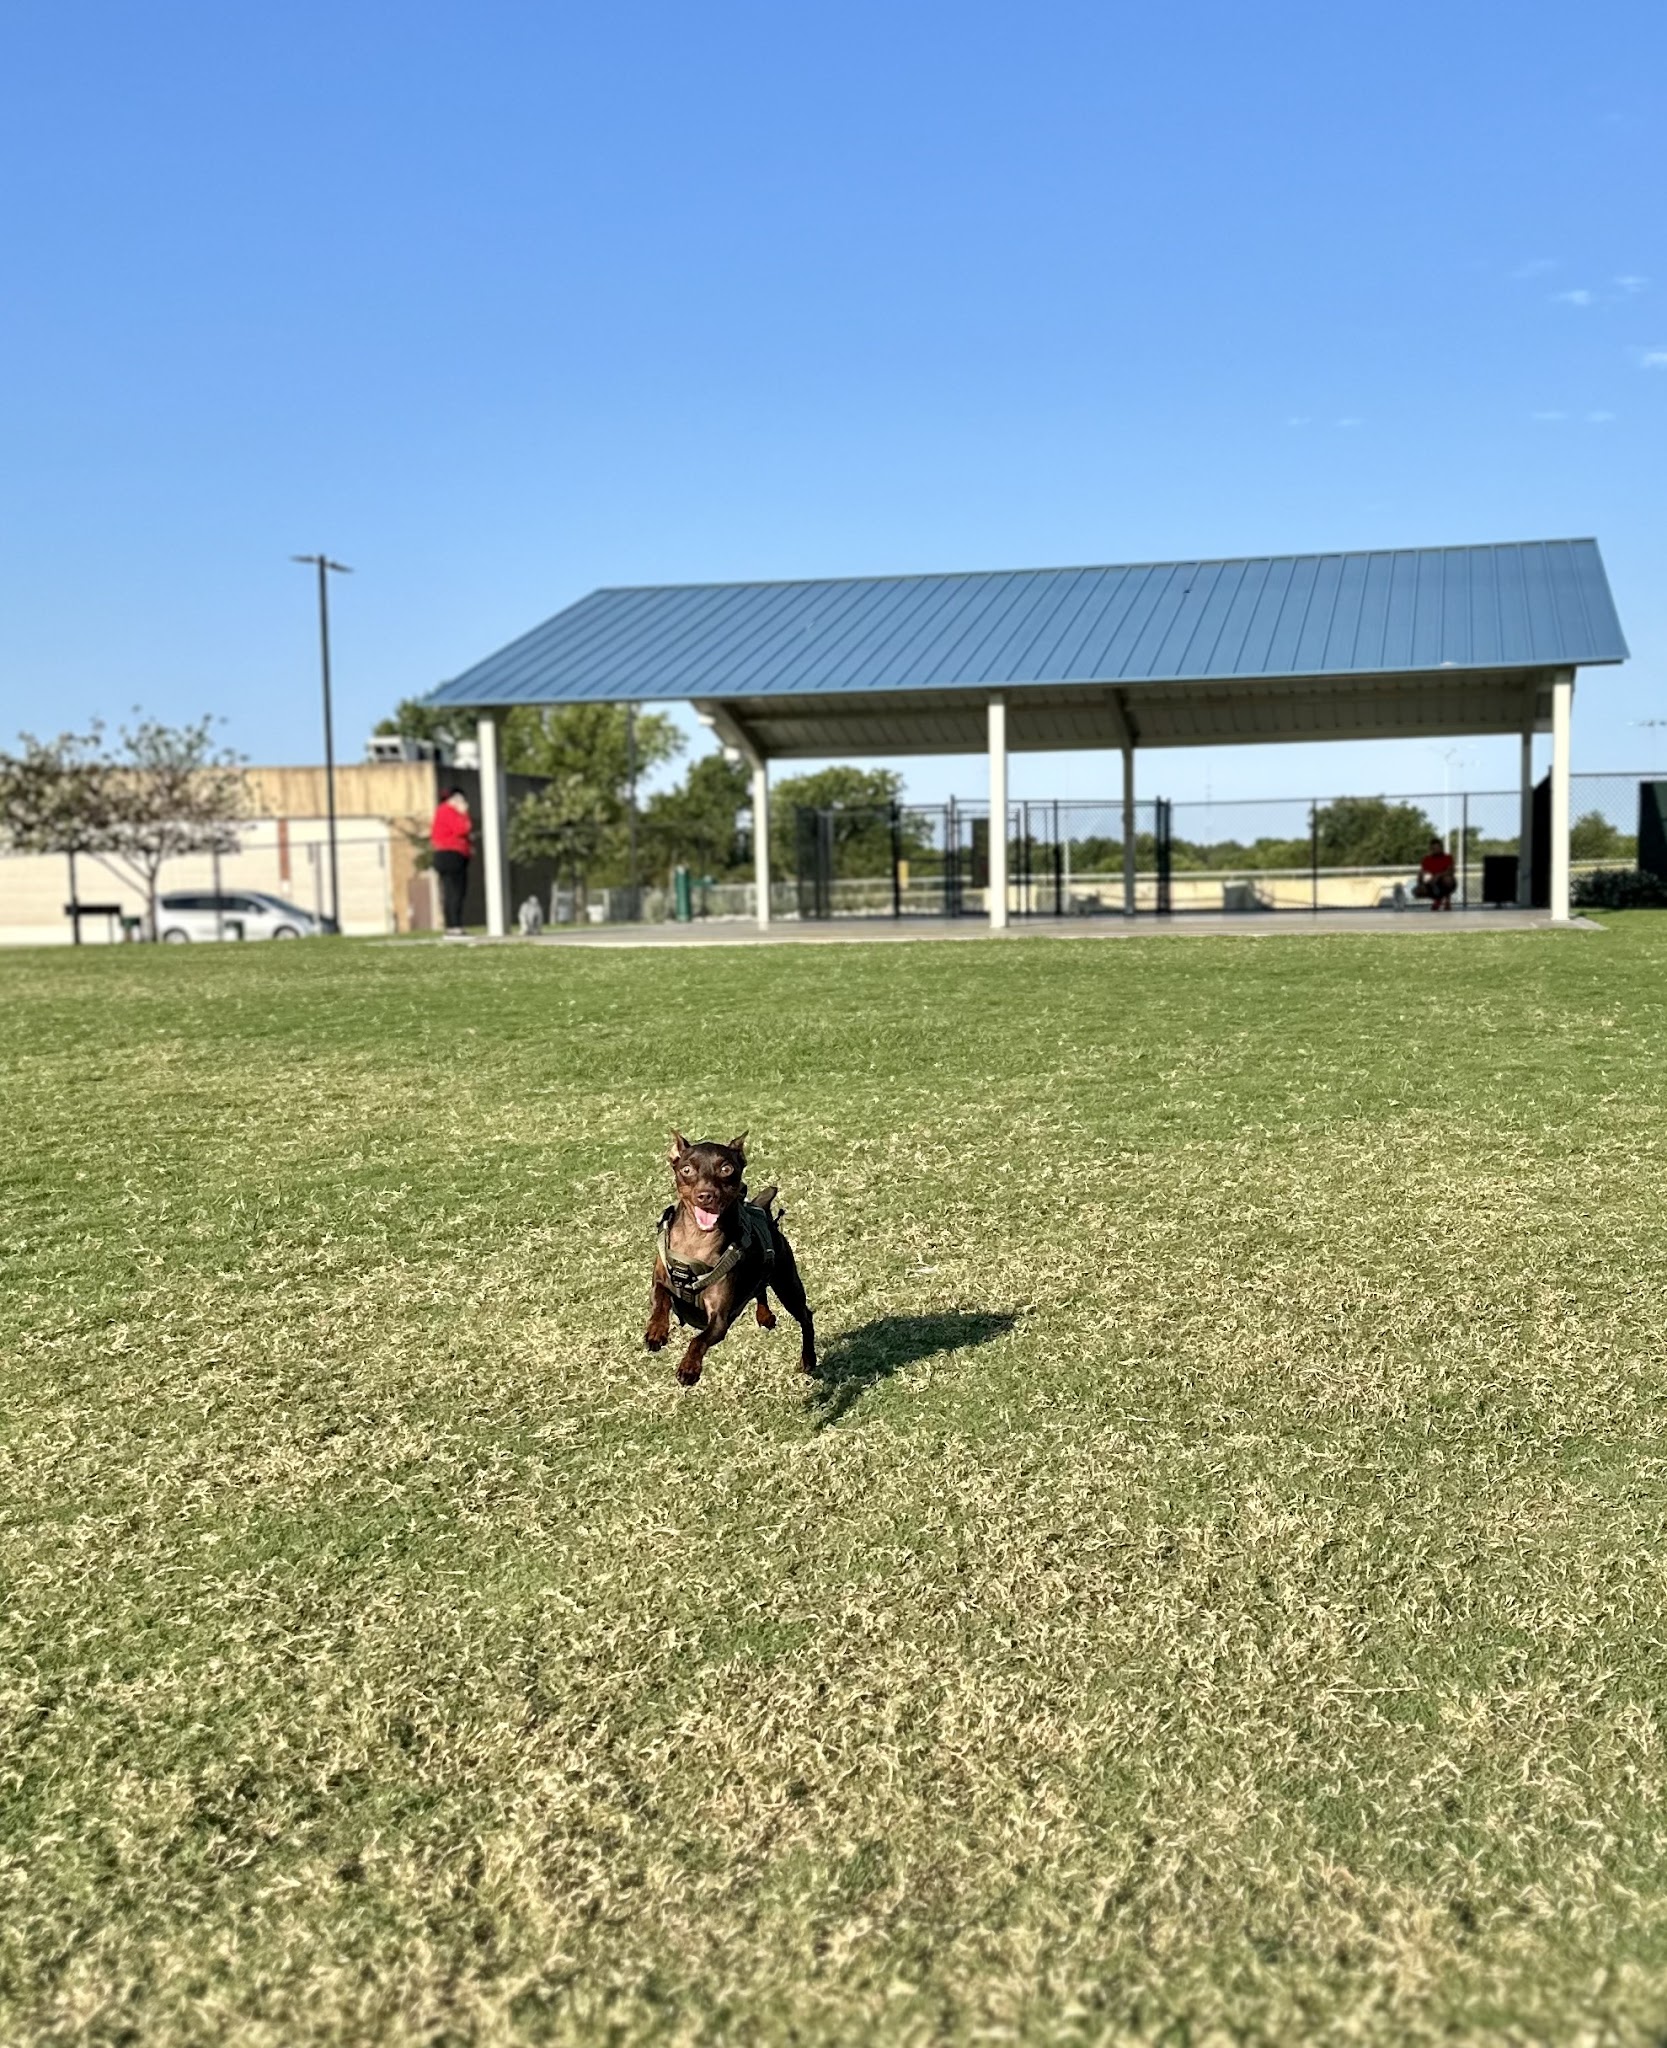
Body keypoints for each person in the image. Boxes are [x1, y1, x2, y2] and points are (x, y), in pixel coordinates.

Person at [430, 786, 472, 936]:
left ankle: (450, 925)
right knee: (456, 891)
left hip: (442, 855)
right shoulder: (451, 812)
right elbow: (462, 829)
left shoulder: (440, 811)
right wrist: (464, 813)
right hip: (453, 855)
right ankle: (455, 925)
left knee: (449, 891)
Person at [1416, 835, 1457, 912]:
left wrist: (1438, 875)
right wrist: (1422, 880)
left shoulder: (1448, 857)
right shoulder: (1426, 859)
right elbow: (1422, 872)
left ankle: (1446, 900)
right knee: (1419, 890)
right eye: (1434, 848)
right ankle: (1437, 899)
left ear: (1441, 848)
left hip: (1443, 881)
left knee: (1447, 879)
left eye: (1438, 848)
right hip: (1431, 882)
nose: (1436, 850)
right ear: (1431, 849)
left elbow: (1451, 870)